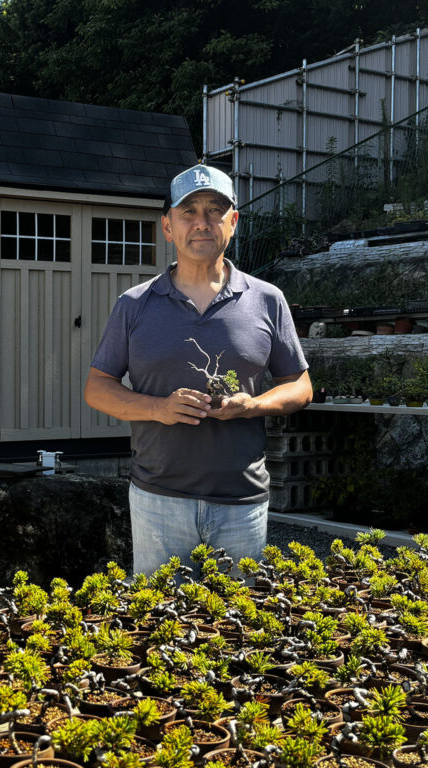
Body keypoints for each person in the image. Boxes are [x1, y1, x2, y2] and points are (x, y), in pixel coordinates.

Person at [84, 163, 311, 576]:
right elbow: (97, 388)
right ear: (168, 226)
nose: (202, 223)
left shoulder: (267, 300)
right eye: (188, 212)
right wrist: (157, 409)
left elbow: (299, 385)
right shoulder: (135, 305)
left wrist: (253, 405)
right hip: (158, 501)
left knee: (238, 626)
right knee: (157, 626)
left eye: (214, 211)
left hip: (241, 502)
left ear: (233, 222)